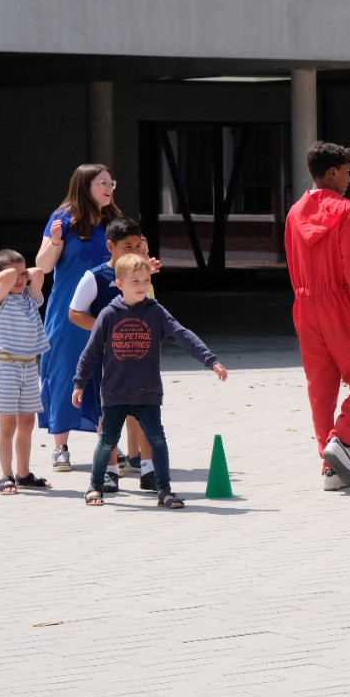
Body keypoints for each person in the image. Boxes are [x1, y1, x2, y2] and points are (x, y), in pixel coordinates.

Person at [73, 254, 228, 508]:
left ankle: (164, 491)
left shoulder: (156, 312)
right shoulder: (108, 314)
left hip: (147, 392)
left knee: (157, 440)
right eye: (135, 281)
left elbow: (182, 335)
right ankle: (95, 486)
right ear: (119, 283)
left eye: (146, 280)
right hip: (115, 392)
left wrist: (210, 360)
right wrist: (79, 383)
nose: (142, 285)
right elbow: (90, 352)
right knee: (108, 441)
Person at [285, 141, 350, 491]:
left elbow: (293, 264)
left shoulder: (295, 212)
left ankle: (329, 470)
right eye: (347, 172)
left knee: (321, 388)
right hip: (339, 303)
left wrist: (304, 303)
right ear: (332, 172)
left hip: (305, 304)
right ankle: (342, 441)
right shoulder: (347, 210)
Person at [35, 163, 121, 472]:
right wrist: (56, 241)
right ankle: (60, 447)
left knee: (108, 375)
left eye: (111, 183)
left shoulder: (114, 222)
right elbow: (43, 266)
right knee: (64, 372)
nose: (109, 188)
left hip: (109, 309)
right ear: (84, 186)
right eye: (102, 183)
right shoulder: (63, 220)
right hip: (68, 311)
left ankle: (108, 443)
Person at [68, 217, 163, 493]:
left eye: (137, 245)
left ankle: (149, 470)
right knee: (107, 417)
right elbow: (74, 313)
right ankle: (109, 472)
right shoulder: (95, 277)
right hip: (107, 362)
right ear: (111, 246)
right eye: (126, 246)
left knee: (146, 412)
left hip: (141, 359)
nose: (133, 251)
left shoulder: (142, 274)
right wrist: (105, 331)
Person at [0, 250, 52, 494]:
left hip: (28, 366)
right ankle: (6, 475)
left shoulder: (28, 297)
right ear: (1, 277)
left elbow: (38, 272)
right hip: (7, 367)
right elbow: (7, 278)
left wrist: (22, 273)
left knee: (27, 421)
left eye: (22, 274)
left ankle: (23, 474)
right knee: (8, 424)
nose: (21, 279)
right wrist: (6, 277)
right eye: (14, 276)